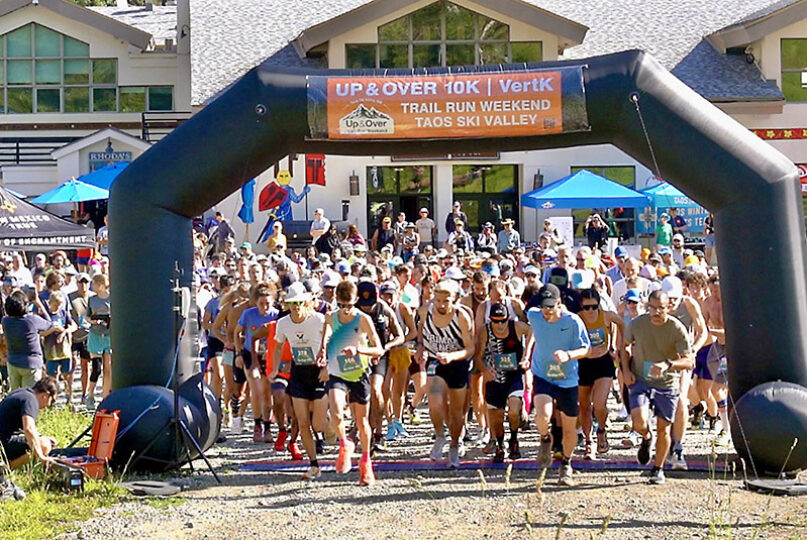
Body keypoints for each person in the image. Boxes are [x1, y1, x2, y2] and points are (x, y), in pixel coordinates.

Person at [620, 290, 693, 485]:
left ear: (668, 307)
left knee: (664, 429)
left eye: (660, 308)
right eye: (652, 308)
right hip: (641, 380)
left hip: (667, 384)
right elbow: (625, 346)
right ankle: (645, 437)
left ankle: (658, 469)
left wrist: (668, 364)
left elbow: (688, 361)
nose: (655, 312)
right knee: (639, 422)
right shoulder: (637, 324)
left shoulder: (676, 328)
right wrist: (625, 370)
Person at [525, 283, 591, 486]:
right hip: (543, 375)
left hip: (568, 379)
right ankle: (545, 438)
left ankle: (566, 463)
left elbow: (586, 348)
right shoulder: (534, 315)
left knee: (570, 427)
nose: (547, 312)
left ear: (559, 304)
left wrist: (568, 355)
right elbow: (529, 329)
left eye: (551, 308)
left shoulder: (573, 321)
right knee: (542, 415)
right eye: (544, 307)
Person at [319, 280, 384, 485]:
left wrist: (359, 350)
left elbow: (379, 349)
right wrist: (322, 353)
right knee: (336, 411)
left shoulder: (363, 319)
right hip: (337, 371)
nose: (345, 310)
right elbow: (325, 337)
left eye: (349, 306)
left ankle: (366, 461)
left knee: (361, 420)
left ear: (356, 301)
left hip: (358, 373)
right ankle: (344, 443)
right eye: (341, 305)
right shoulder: (330, 317)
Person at [416, 278, 475, 468]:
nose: (441, 305)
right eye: (438, 300)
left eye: (446, 301)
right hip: (435, 361)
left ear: (455, 299)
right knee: (434, 401)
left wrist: (452, 356)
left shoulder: (462, 316)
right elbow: (420, 331)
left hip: (457, 363)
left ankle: (455, 445)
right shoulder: (425, 311)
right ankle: (440, 435)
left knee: (457, 412)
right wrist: (420, 346)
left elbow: (470, 348)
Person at [274, 282, 329, 480]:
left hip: (318, 372)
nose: (296, 307)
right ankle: (314, 464)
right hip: (298, 373)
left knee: (317, 423)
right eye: (292, 303)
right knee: (302, 421)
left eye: (299, 302)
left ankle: (325, 429)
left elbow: (331, 341)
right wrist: (274, 368)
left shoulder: (319, 320)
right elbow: (278, 346)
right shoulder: (283, 323)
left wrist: (326, 366)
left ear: (306, 302)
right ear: (287, 304)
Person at [475, 302, 532, 462]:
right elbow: (478, 357)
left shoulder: (516, 327)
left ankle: (514, 439)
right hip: (495, 378)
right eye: (495, 321)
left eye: (503, 320)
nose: (499, 325)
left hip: (514, 376)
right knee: (497, 417)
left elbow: (532, 331)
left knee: (514, 411)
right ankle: (500, 445)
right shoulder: (485, 331)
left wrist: (526, 354)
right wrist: (485, 369)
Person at [577, 288, 624, 458]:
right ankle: (589, 442)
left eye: (594, 307)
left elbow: (622, 324)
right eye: (586, 307)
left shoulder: (606, 316)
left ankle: (602, 430)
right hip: (583, 364)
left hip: (603, 362)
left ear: (599, 305)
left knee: (599, 404)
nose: (590, 311)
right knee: (584, 407)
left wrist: (619, 348)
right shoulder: (578, 319)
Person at [234, 282, 279, 444]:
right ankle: (257, 424)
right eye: (261, 303)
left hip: (269, 356)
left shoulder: (276, 315)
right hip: (249, 354)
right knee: (256, 390)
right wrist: (239, 353)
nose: (265, 307)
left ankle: (267, 427)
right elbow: (237, 333)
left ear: (273, 301)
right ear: (256, 302)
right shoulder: (248, 314)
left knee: (267, 392)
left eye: (268, 303)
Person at [2, 291, 61, 391]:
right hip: (31, 363)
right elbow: (50, 324)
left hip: (12, 362)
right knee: (29, 396)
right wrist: (39, 304)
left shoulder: (5, 321)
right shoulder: (31, 320)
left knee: (14, 395)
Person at [0, 376, 59, 474]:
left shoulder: (23, 393)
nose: (48, 406)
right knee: (44, 445)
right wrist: (42, 457)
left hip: (4, 439)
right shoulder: (31, 401)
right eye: (52, 401)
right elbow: (28, 429)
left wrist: (41, 436)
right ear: (46, 395)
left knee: (43, 440)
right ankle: (7, 469)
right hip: (4, 443)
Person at [43, 294, 77, 405]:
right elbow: (40, 332)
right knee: (53, 376)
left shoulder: (63, 313)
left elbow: (74, 326)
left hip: (64, 349)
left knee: (67, 374)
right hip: (51, 350)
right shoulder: (45, 315)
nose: (58, 307)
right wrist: (53, 329)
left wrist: (65, 331)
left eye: (59, 304)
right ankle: (53, 399)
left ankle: (69, 396)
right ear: (51, 302)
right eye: (56, 304)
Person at [85, 273, 112, 409]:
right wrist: (93, 320)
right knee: (96, 367)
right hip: (95, 334)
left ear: (100, 285)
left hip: (108, 335)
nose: (92, 286)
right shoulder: (92, 299)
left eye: (94, 284)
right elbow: (87, 316)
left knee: (108, 367)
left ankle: (105, 396)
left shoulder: (112, 299)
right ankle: (90, 395)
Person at [69, 273, 93, 404]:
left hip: (87, 335)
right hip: (73, 336)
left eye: (86, 282)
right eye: (80, 282)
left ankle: (84, 394)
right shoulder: (71, 297)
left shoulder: (93, 297)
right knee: (71, 365)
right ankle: (69, 394)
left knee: (85, 365)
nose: (83, 285)